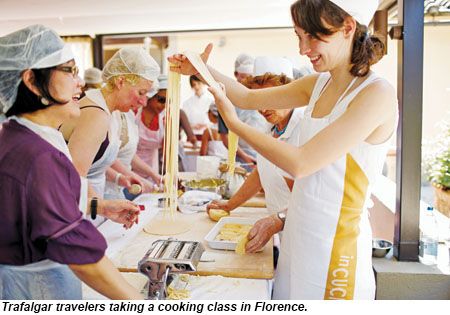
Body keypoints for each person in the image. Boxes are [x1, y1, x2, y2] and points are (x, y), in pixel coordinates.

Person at [169, 0, 397, 300]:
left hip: (337, 250)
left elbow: (302, 163)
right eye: (299, 36)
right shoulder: (319, 84)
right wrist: (201, 68)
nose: (303, 49)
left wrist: (236, 126)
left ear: (348, 28)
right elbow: (247, 97)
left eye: (314, 36)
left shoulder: (375, 94)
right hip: (296, 236)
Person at [0, 24, 142, 299]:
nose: (80, 83)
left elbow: (33, 210)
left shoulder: (30, 137)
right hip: (38, 290)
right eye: (69, 71)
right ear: (31, 80)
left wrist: (97, 205)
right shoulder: (35, 154)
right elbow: (85, 260)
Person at [60, 46, 159, 225]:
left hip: (91, 203)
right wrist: (102, 206)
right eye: (141, 93)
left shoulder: (110, 111)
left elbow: (94, 160)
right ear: (121, 82)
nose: (144, 102)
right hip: (76, 207)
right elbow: (74, 175)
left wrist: (120, 178)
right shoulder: (96, 115)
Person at [216, 53, 268, 170]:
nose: (247, 81)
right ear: (236, 74)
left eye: (251, 77)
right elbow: (225, 137)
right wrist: (246, 158)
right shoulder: (224, 98)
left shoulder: (261, 96)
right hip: (241, 160)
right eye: (244, 77)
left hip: (265, 157)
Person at [181, 74, 214, 140]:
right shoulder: (187, 103)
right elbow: (183, 121)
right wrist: (192, 127)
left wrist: (206, 125)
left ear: (203, 83)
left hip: (208, 134)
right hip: (192, 135)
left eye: (198, 83)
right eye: (194, 84)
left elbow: (216, 121)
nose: (196, 87)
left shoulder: (211, 101)